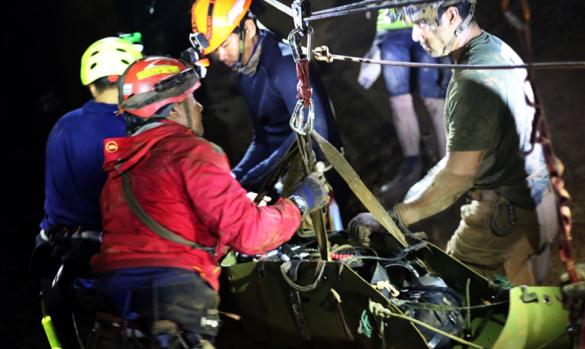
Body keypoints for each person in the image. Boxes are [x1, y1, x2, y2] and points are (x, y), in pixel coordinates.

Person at [88, 56, 329, 348]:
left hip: (113, 306)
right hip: (174, 301)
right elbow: (251, 235)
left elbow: (163, 230)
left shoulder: (118, 171)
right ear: (175, 108)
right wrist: (300, 202)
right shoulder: (192, 153)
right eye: (192, 99)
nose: (200, 107)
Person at [349, 0, 557, 286]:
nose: (415, 35)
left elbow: (458, 175)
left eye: (421, 23)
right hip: (540, 204)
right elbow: (456, 161)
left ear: (450, 16)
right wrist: (405, 204)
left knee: (450, 300)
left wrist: (394, 218)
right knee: (526, 314)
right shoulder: (495, 48)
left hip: (504, 221)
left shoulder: (472, 83)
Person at [190, 0, 350, 224]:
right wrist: (237, 177)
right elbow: (264, 138)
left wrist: (255, 177)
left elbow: (315, 135)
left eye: (225, 44)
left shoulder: (285, 64)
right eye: (216, 50)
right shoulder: (245, 68)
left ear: (249, 28)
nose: (221, 55)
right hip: (283, 181)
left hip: (319, 184)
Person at [31, 36, 143, 349]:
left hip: (57, 260)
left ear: (91, 84)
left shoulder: (62, 125)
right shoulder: (133, 128)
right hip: (109, 265)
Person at [359, 9, 451, 197]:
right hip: (390, 28)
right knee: (399, 99)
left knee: (433, 98)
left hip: (428, 22)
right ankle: (412, 167)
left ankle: (448, 169)